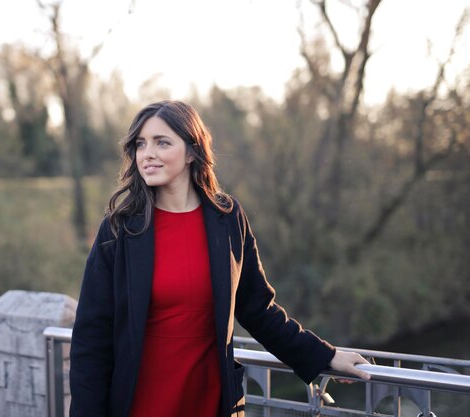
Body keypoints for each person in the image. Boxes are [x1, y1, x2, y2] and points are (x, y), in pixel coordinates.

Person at [69, 100, 370, 417]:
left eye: (162, 142)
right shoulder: (120, 228)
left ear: (191, 152)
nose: (147, 154)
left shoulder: (226, 218)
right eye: (141, 144)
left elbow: (258, 309)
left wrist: (325, 355)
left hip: (211, 401)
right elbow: (91, 336)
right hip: (141, 403)